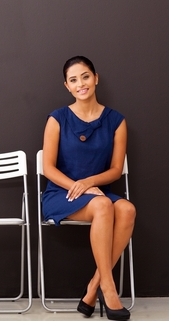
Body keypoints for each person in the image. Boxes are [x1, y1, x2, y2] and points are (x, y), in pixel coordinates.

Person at [41, 56, 136, 320]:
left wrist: (89, 183)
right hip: (62, 193)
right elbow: (48, 168)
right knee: (104, 205)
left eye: (85, 76)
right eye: (73, 80)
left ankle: (92, 288)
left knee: (127, 209)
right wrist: (78, 186)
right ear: (67, 86)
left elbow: (116, 169)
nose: (80, 83)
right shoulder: (57, 118)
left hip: (95, 191)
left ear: (96, 77)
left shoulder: (116, 121)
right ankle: (109, 288)